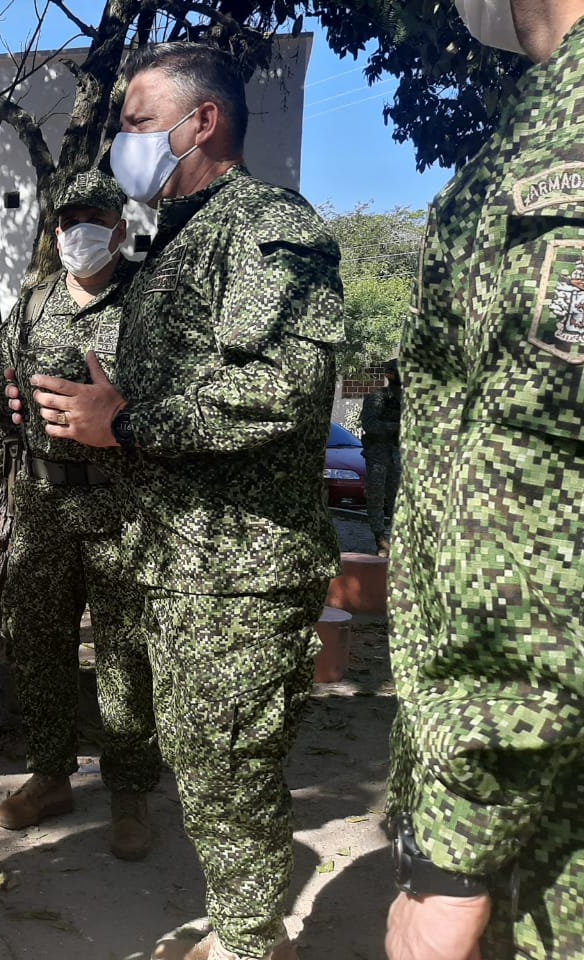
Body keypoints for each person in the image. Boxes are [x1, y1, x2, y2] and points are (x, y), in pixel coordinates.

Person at [17, 44, 344, 960]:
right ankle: (247, 933)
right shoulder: (175, 246)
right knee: (204, 766)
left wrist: (121, 422)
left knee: (229, 767)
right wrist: (82, 414)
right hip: (179, 560)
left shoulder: (263, 224)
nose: (124, 138)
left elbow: (284, 388)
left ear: (201, 122)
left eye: (136, 119)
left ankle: (247, 944)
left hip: (239, 566)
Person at [383, 3, 584, 958]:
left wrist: (453, 854)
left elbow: (541, 499)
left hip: (539, 743)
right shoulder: (540, 114)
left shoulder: (567, 141)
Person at [0, 170, 160, 861]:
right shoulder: (33, 306)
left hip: (122, 503)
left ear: (119, 225)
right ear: (56, 230)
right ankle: (50, 776)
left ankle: (131, 788)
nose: (81, 228)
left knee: (125, 653)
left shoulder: (148, 301)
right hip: (41, 502)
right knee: (40, 645)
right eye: (69, 217)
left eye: (95, 216)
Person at [357, 359, 401, 557]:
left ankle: (398, 539)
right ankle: (380, 539)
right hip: (378, 454)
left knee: (397, 498)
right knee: (376, 495)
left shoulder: (410, 399)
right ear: (389, 374)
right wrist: (398, 427)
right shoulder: (377, 398)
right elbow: (370, 425)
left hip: (399, 453)